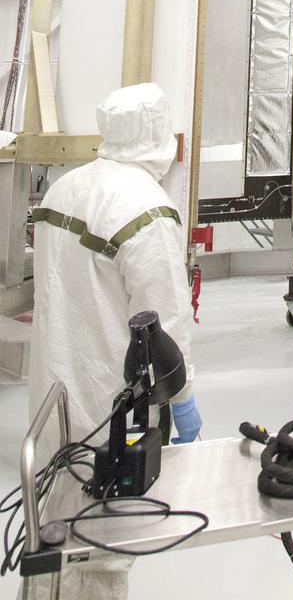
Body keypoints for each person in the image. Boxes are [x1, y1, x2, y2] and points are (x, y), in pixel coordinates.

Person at [28, 83, 200, 597]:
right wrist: (185, 403)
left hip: (51, 397)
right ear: (156, 134)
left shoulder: (66, 186)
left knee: (49, 535)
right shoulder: (146, 209)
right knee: (99, 549)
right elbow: (164, 325)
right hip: (107, 408)